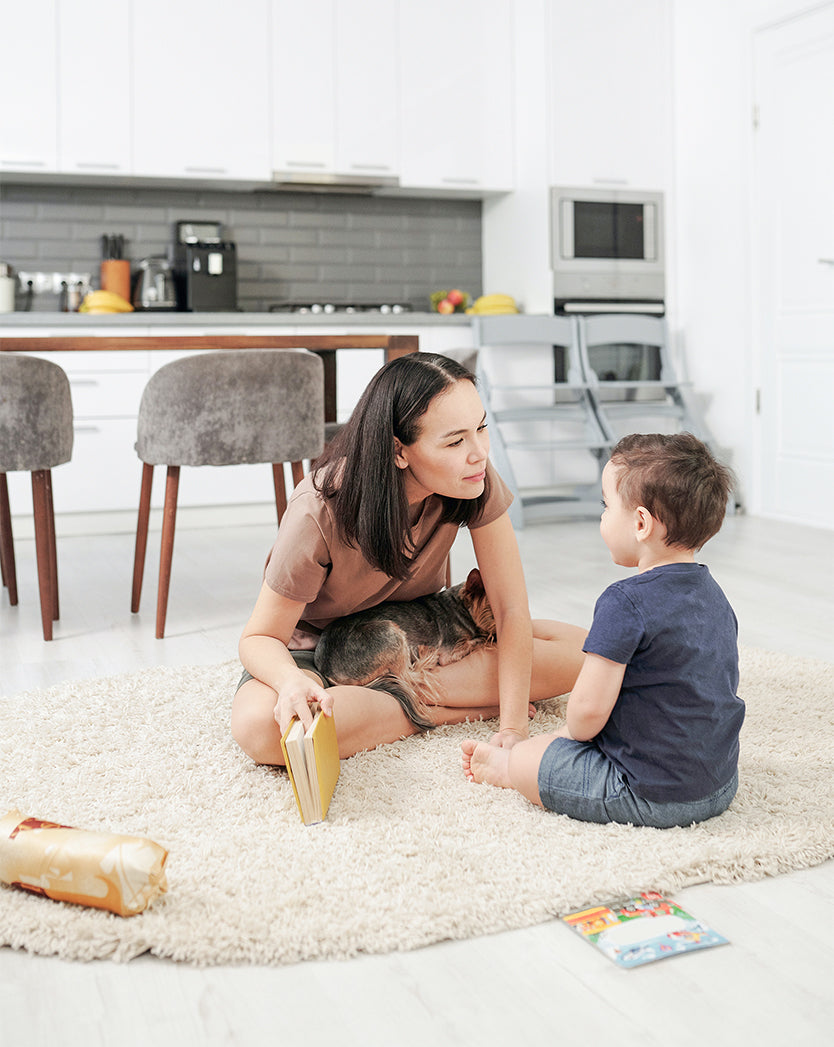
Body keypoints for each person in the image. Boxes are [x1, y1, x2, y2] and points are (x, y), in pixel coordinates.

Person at [231, 352, 587, 763]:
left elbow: (509, 609)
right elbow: (259, 638)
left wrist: (512, 729)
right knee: (260, 730)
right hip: (318, 650)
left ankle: (390, 703)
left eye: (482, 428)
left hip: (424, 640)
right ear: (398, 451)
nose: (479, 453)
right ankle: (446, 709)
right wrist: (291, 682)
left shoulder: (473, 478)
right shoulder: (319, 508)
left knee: (590, 654)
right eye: (455, 441)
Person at [462, 432, 744, 829]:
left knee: (529, 758)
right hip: (718, 784)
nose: (602, 517)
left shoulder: (624, 601)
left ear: (641, 523)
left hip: (645, 792)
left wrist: (554, 741)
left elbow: (586, 716)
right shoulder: (714, 595)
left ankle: (506, 770)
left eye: (606, 506)